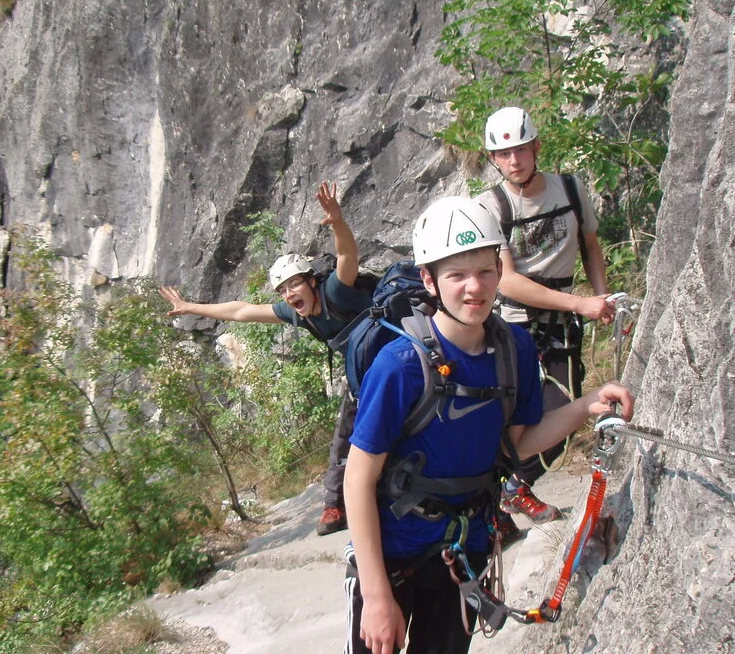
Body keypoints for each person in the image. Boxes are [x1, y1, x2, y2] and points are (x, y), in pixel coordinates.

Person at [343, 196, 634, 654]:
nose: (473, 288)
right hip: (393, 551)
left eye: (483, 271)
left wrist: (586, 405)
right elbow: (357, 478)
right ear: (430, 281)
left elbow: (519, 443)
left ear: (500, 272)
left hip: (465, 547)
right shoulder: (399, 365)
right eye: (456, 275)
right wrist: (377, 596)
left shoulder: (513, 347)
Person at [158, 181, 369, 536]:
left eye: (293, 285)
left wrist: (337, 222)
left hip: (389, 362)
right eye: (283, 290)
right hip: (362, 375)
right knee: (342, 442)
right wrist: (191, 307)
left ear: (311, 282)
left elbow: (348, 256)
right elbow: (241, 311)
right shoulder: (298, 314)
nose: (288, 294)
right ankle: (334, 508)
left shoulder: (335, 291)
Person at [474, 106, 616, 526]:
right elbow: (508, 281)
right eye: (503, 155)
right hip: (513, 326)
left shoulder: (570, 190)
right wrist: (581, 304)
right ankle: (500, 491)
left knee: (567, 412)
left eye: (520, 150)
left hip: (561, 323)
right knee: (517, 417)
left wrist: (602, 296)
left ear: (536, 147)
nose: (513, 161)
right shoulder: (490, 206)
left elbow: (590, 245)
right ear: (492, 159)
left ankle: (511, 488)